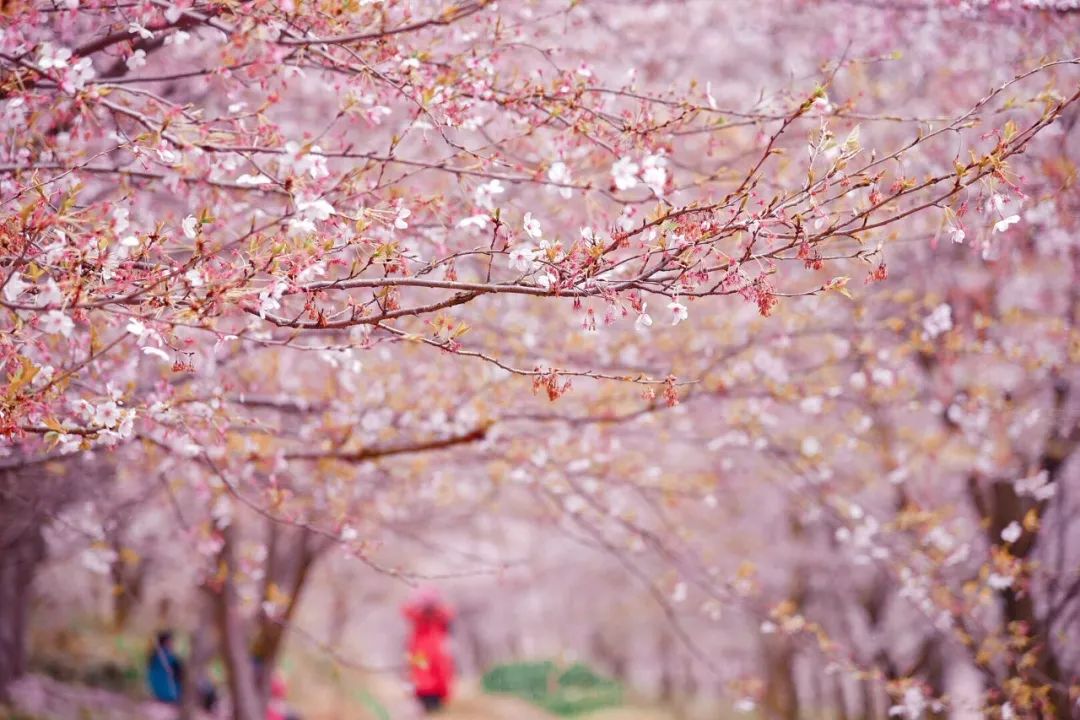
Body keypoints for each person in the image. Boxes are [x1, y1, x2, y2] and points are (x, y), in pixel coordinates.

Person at [403, 587, 455, 713]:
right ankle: (428, 703)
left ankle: (431, 704)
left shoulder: (438, 618)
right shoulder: (421, 618)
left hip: (427, 653)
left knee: (429, 676)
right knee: (423, 676)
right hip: (422, 653)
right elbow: (406, 611)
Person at [146, 630, 183, 704]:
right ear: (166, 642)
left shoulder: (154, 656)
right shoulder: (168, 657)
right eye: (172, 641)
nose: (173, 644)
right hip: (170, 694)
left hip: (157, 692)